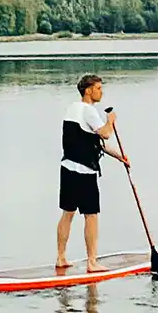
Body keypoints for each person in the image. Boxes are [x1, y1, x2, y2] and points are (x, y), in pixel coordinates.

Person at [56, 74, 128, 273]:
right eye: (98, 88)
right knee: (91, 215)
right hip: (84, 172)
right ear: (88, 90)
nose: (101, 91)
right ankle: (92, 262)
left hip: (67, 168)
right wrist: (111, 121)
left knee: (67, 213)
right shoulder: (88, 111)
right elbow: (104, 133)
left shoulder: (72, 109)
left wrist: (121, 157)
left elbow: (97, 143)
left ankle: (61, 257)